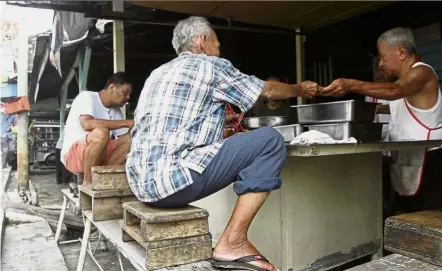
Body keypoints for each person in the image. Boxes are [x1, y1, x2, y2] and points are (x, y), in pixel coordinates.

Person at [126, 16, 320, 271]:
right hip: (173, 184)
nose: (219, 51)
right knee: (270, 141)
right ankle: (233, 241)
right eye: (217, 45)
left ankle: (233, 240)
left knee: (245, 141)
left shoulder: (157, 74)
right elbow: (269, 91)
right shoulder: (210, 65)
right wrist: (300, 89)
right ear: (202, 41)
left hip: (140, 183)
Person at [322, 27, 442, 212]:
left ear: (401, 52)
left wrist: (350, 84)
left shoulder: (423, 72)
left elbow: (394, 92)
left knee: (428, 220)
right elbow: (398, 106)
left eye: (383, 56)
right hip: (408, 157)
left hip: (430, 160)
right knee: (404, 218)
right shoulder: (405, 81)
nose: (381, 63)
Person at [61, 72, 134, 185]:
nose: (128, 97)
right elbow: (87, 124)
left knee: (131, 139)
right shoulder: (86, 97)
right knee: (102, 132)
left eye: (129, 93)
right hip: (74, 156)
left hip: (99, 156)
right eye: (125, 92)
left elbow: (122, 140)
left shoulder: (116, 111)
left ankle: (105, 177)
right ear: (112, 88)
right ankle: (88, 182)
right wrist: (127, 122)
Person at [1, 104, 16, 169]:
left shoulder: (13, 116)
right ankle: (3, 165)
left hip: (10, 134)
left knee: (12, 150)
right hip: (1, 134)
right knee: (5, 150)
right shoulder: (1, 114)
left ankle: (6, 162)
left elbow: (15, 124)